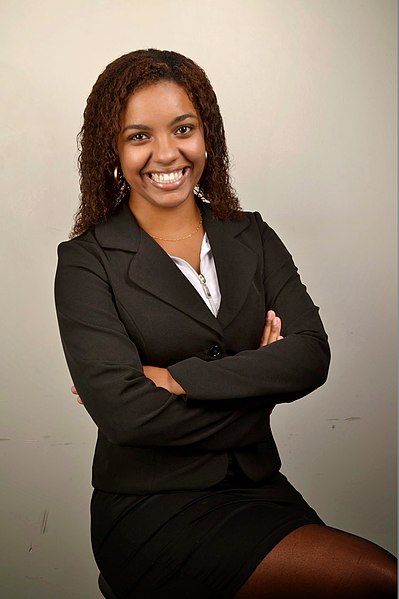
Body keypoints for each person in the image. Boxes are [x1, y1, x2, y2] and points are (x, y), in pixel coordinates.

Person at [55, 49, 396, 599]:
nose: (166, 153)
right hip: (153, 513)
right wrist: (260, 387)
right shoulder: (85, 262)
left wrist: (179, 379)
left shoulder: (252, 236)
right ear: (111, 150)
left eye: (183, 128)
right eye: (139, 135)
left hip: (260, 490)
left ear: (206, 133)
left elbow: (311, 354)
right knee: (377, 582)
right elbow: (128, 418)